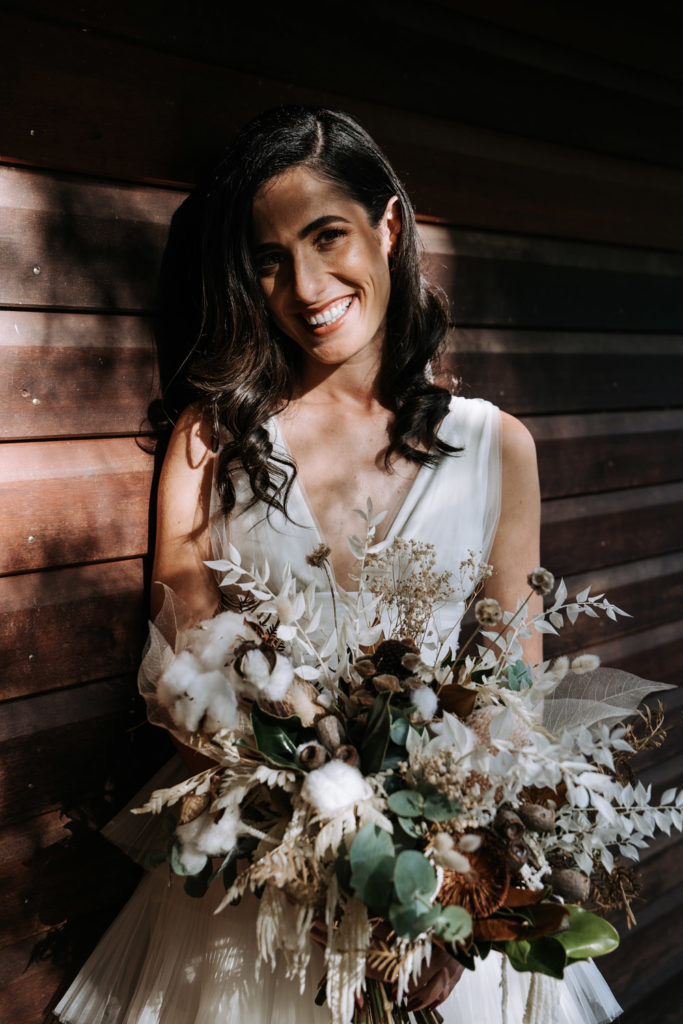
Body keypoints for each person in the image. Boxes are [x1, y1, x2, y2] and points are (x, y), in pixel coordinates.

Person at [54, 106, 622, 1024]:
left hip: (439, 878)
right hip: (258, 885)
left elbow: (507, 685)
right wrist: (321, 839)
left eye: (329, 237)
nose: (304, 284)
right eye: (269, 258)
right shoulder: (211, 442)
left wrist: (444, 887)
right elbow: (179, 671)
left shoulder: (496, 447)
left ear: (389, 226)